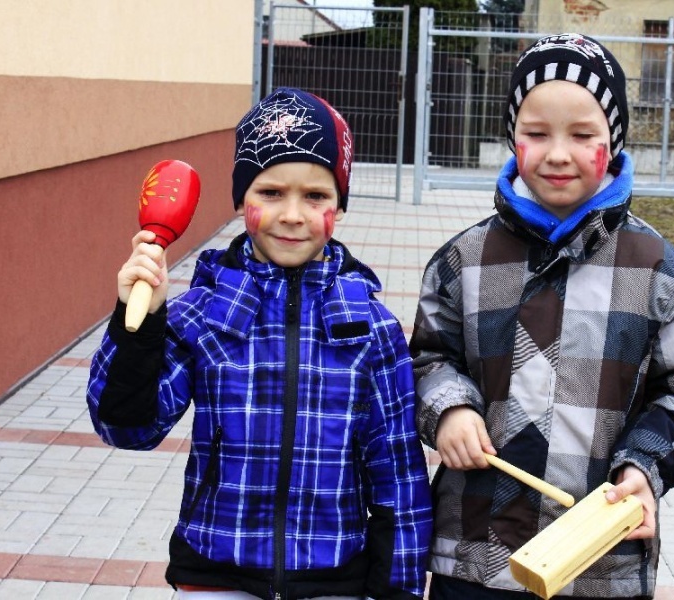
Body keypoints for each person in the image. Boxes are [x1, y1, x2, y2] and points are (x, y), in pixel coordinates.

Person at [87, 88, 432, 600]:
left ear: (339, 205)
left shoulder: (371, 328)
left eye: (316, 196)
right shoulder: (201, 313)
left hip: (335, 580)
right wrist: (140, 322)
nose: (292, 214)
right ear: (241, 198)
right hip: (214, 574)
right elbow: (127, 427)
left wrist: (396, 589)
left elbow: (397, 473)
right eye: (270, 192)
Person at [409, 33, 674, 599]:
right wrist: (448, 408)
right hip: (476, 559)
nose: (557, 153)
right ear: (511, 137)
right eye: (536, 134)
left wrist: (644, 468)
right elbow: (428, 358)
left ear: (614, 140)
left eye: (582, 135)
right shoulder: (463, 260)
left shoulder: (658, 270)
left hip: (601, 562)